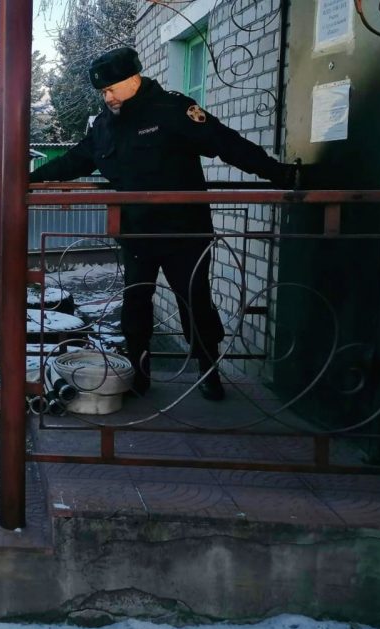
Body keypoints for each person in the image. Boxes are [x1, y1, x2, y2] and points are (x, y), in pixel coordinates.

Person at [30, 47, 298, 401]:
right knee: (136, 305)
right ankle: (140, 374)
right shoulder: (105, 126)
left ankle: (209, 371)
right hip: (138, 234)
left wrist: (279, 174)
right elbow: (74, 161)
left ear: (134, 80)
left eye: (112, 88)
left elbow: (226, 144)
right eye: (102, 91)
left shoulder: (172, 109)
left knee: (195, 302)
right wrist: (30, 177)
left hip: (184, 232)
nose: (106, 96)